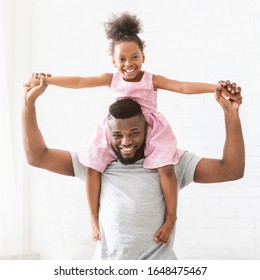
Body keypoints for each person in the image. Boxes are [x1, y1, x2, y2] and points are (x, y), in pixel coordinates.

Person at [25, 12, 242, 244]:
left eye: (134, 57)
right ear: (114, 62)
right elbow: (79, 81)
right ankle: (92, 220)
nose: (129, 64)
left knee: (166, 167)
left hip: (151, 128)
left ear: (143, 57)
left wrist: (215, 89)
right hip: (117, 123)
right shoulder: (111, 79)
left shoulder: (151, 79)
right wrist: (48, 80)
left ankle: (171, 218)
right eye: (122, 60)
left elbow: (182, 87)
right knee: (92, 164)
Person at [22, 77, 244, 259]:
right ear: (108, 134)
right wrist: (28, 103)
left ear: (147, 129)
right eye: (117, 135)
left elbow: (231, 169)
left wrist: (230, 113)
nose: (126, 142)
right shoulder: (96, 163)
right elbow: (37, 156)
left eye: (135, 133)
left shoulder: (170, 161)